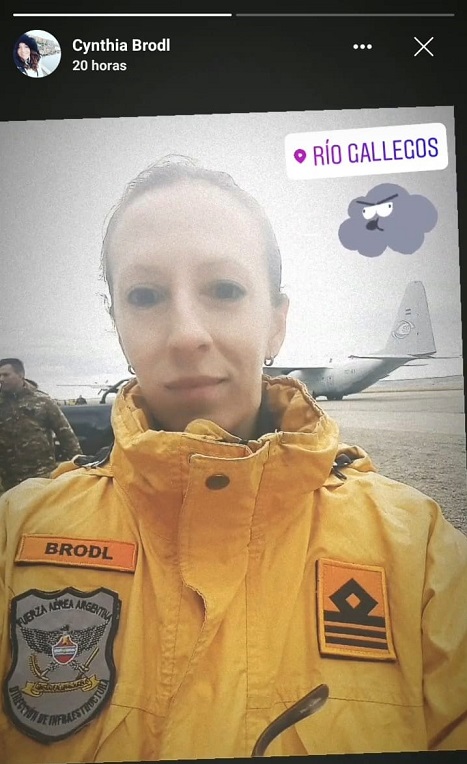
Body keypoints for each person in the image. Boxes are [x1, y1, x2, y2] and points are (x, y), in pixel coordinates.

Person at [0, 158, 466, 763]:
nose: (186, 335)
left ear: (276, 323)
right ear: (118, 325)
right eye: (145, 296)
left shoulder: (421, 554)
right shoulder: (15, 534)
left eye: (224, 289)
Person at [0, 358, 82, 492]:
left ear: (20, 375)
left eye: (6, 375)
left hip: (41, 475)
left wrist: (78, 465)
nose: (1, 379)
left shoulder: (42, 401)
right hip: (9, 480)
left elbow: (66, 435)